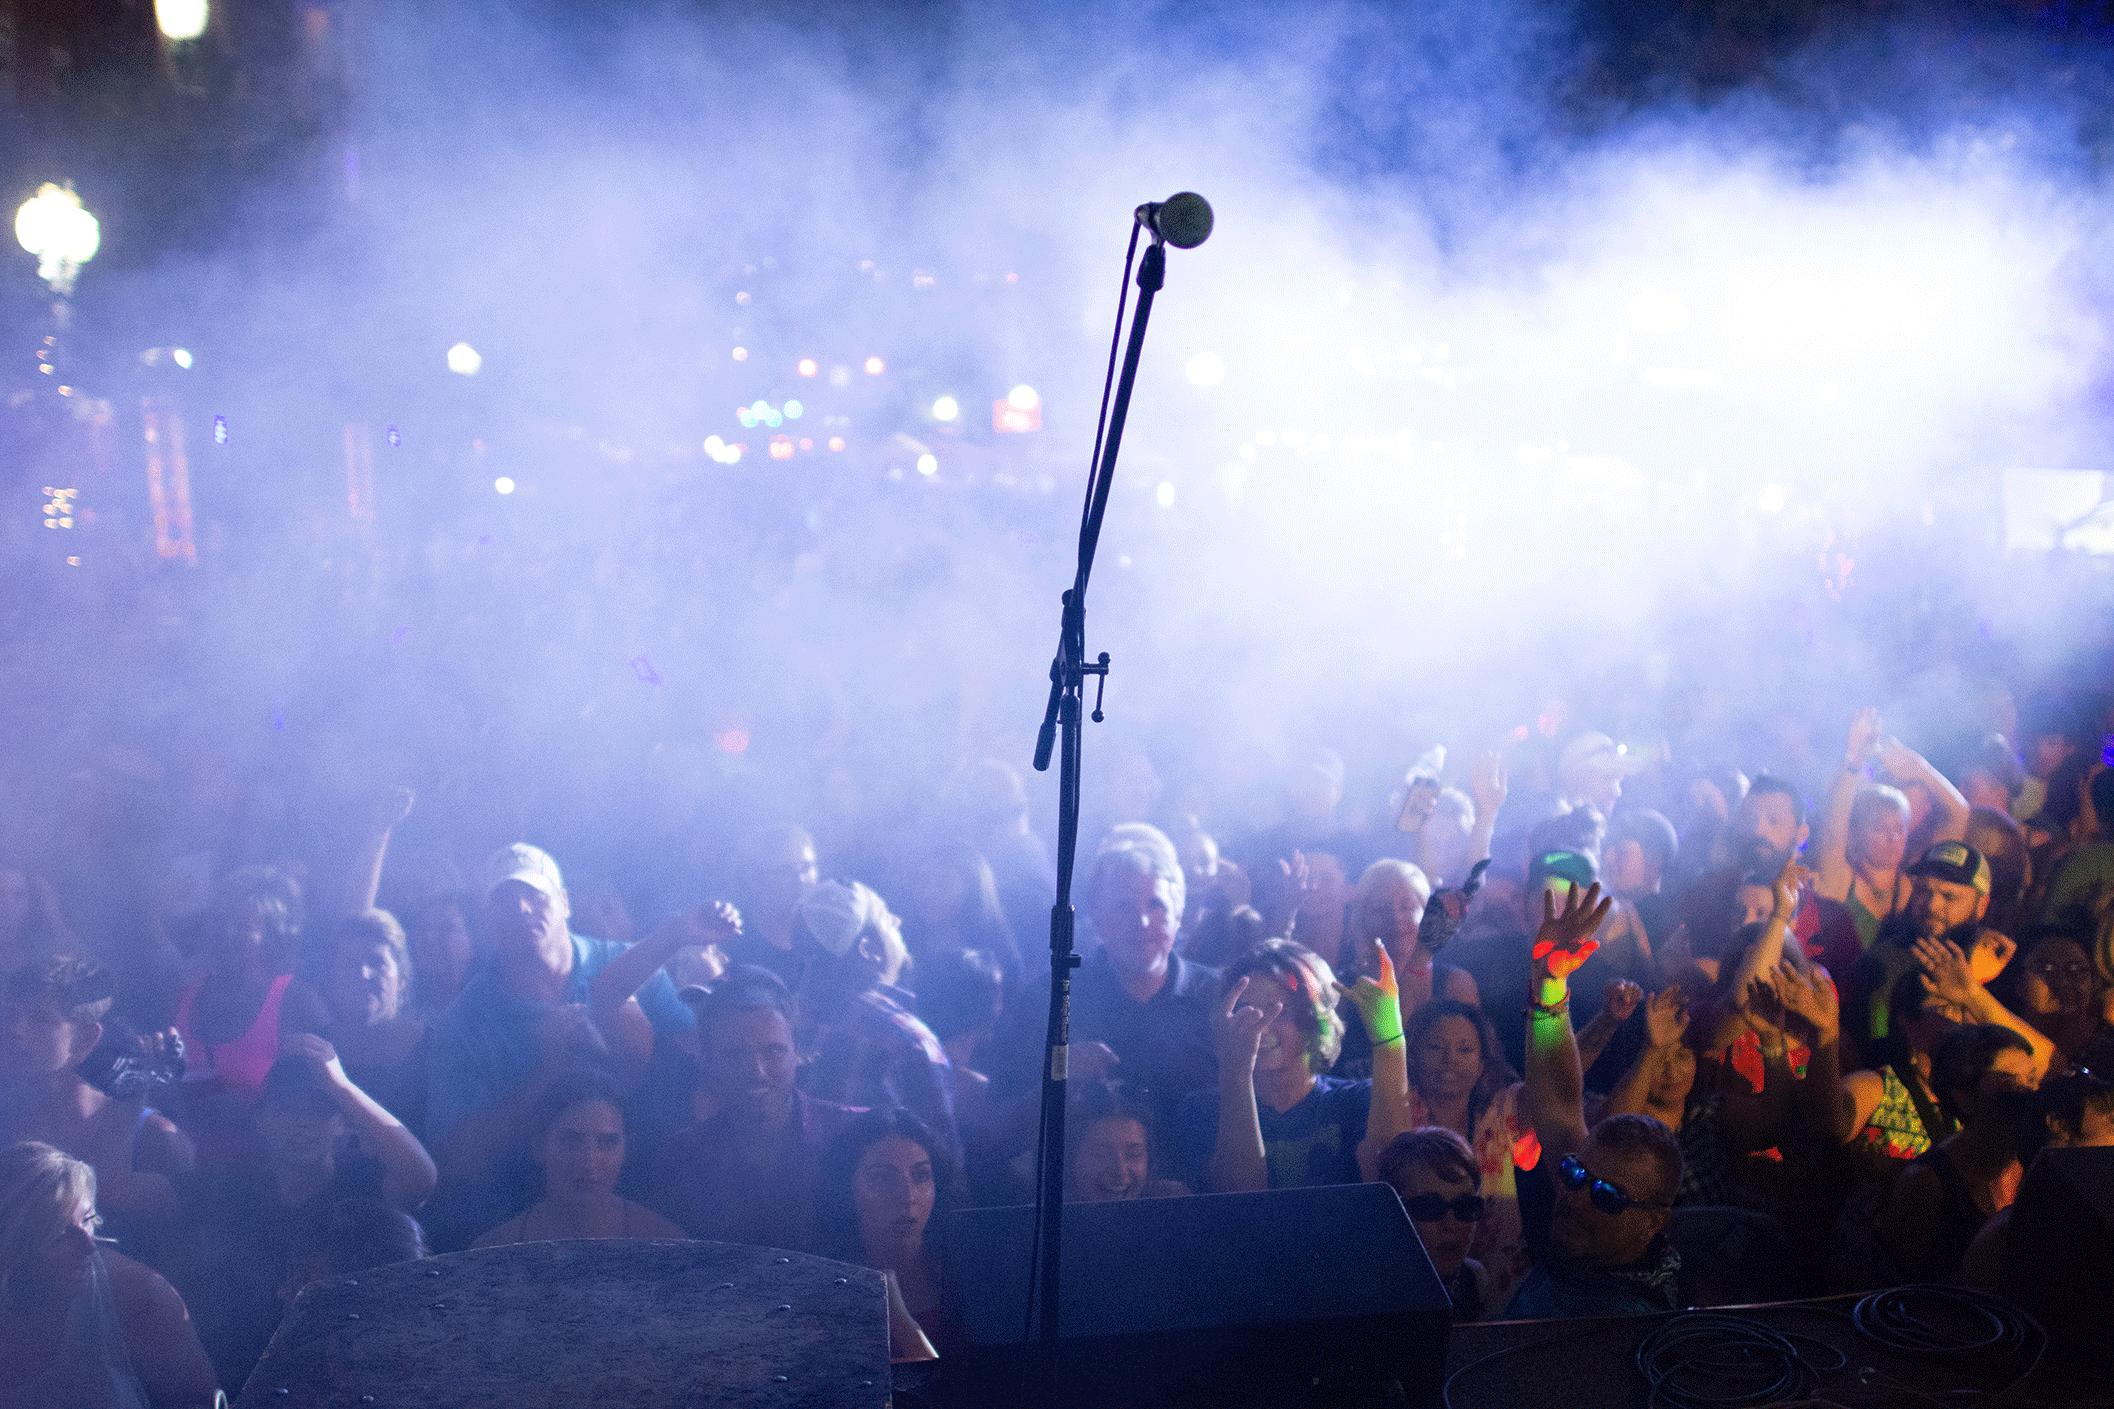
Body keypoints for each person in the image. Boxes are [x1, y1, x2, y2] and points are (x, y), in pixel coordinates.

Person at [421, 843, 692, 1249]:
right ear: (487, 919)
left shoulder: (630, 968)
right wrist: (543, 1073)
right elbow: (456, 1163)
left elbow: (699, 1067)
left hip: (652, 1179)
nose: (524, 910)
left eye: (536, 896)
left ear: (564, 902)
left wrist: (620, 1053)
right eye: (506, 902)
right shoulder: (463, 1024)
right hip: (516, 1204)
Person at [157, 1047, 434, 1389]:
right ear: (260, 1120)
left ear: (343, 1124)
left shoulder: (364, 1184)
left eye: (318, 1110)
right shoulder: (235, 1192)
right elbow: (125, 1191)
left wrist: (341, 1086)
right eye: (286, 1109)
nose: (301, 1122)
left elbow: (422, 1177)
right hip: (255, 1375)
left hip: (357, 1368)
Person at [1514, 883, 1685, 1318]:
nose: (1576, 1196)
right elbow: (1557, 1100)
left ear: (1653, 1222)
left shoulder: (1629, 1323)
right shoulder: (1584, 1224)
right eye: (1573, 1173)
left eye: (1608, 1196)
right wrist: (1549, 981)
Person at [646, 967, 861, 1251]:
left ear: (797, 1051)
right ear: (708, 1062)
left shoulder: (854, 1135)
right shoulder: (682, 1159)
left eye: (773, 1051)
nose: (757, 1071)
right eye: (735, 1054)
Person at [1175, 938, 1411, 1195]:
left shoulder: (1357, 1101)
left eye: (1281, 1010)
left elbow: (1397, 1183)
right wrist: (1235, 1071)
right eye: (1246, 1010)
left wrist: (1389, 1041)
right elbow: (1240, 1206)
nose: (1261, 1024)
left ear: (1315, 1017)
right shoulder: (1200, 1111)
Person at [0, 1141, 218, 1409]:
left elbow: (201, 1402)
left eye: (87, 1220)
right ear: (9, 1244)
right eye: (59, 1234)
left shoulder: (136, 1295)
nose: (88, 1245)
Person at [0, 958, 191, 1231]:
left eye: (40, 1018)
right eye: (9, 1013)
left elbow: (183, 1256)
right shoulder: (7, 1122)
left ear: (86, 1038)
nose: (14, 1030)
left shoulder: (153, 1140)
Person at [171, 867, 328, 1169]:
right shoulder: (185, 994)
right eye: (220, 922)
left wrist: (255, 1110)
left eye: (243, 926)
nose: (227, 934)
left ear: (273, 935)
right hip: (188, 1166)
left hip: (264, 1172)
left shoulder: (296, 1001)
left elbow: (320, 1103)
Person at [793, 881, 959, 1167]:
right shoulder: (907, 1041)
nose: (898, 921)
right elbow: (943, 1166)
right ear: (869, 949)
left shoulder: (779, 1024)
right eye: (886, 917)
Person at [1066, 839, 1220, 1142]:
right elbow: (998, 1124)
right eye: (1124, 907)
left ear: (1178, 915)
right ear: (1097, 918)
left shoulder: (1218, 996)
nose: (1142, 922)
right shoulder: (1058, 997)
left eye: (1155, 904)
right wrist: (1058, 1070)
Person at [1872, 1024, 2036, 1283]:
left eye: (2032, 1078)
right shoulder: (1927, 1183)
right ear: (1964, 1097)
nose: (2032, 1095)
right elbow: (1898, 1291)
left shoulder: (2036, 1162)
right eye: (2011, 1083)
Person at [472, 1069, 685, 1247]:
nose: (590, 1162)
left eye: (607, 1143)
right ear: (539, 1145)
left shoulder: (664, 1243)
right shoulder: (494, 1250)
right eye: (571, 1141)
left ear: (626, 1150)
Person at [1815, 710, 1970, 951]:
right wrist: (1854, 761)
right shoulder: (1840, 880)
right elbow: (1833, 829)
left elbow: (1960, 813)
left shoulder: (1914, 887)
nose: (1893, 837)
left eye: (1899, 828)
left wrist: (1919, 767)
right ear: (1855, 835)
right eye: (1880, 827)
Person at [814, 1108, 949, 1362]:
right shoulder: (823, 1287)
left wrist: (899, 1320)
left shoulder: (967, 1270)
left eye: (921, 1176)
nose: (907, 1197)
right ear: (845, 1189)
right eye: (882, 1178)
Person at [309, 910, 429, 1137]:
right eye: (349, 964)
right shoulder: (314, 1051)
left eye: (377, 963)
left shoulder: (434, 1051)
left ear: (403, 978)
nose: (363, 974)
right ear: (331, 977)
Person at [1377, 1127, 1498, 1322]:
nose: (1451, 1225)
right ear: (1391, 1213)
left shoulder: (1473, 1280)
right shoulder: (1369, 1294)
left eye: (1465, 1206)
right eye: (1429, 1207)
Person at [1065, 1081, 1188, 1202]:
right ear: (1072, 1158)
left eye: (1133, 1154)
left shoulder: (1173, 1201)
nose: (1120, 1171)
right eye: (1101, 1154)